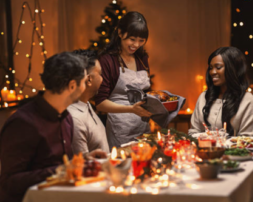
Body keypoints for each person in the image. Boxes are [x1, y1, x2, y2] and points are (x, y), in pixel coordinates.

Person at [0, 52, 106, 202]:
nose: (85, 86)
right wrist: (59, 171)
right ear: (72, 86)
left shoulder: (65, 117)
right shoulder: (23, 123)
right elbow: (9, 182)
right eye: (83, 81)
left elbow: (59, 163)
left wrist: (83, 160)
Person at [95, 11, 152, 148]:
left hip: (143, 126)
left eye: (141, 40)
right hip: (119, 128)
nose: (136, 44)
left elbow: (146, 93)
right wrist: (131, 109)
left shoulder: (142, 58)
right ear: (120, 33)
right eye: (132, 39)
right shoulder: (107, 60)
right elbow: (100, 103)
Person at [188, 47, 253, 136]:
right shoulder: (204, 97)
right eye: (210, 67)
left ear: (233, 68)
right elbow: (193, 132)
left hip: (233, 150)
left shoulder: (247, 100)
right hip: (202, 149)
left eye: (218, 67)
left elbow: (248, 140)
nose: (212, 72)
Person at [68, 49, 110, 154]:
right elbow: (83, 166)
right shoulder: (75, 118)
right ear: (89, 79)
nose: (103, 79)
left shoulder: (85, 104)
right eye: (100, 74)